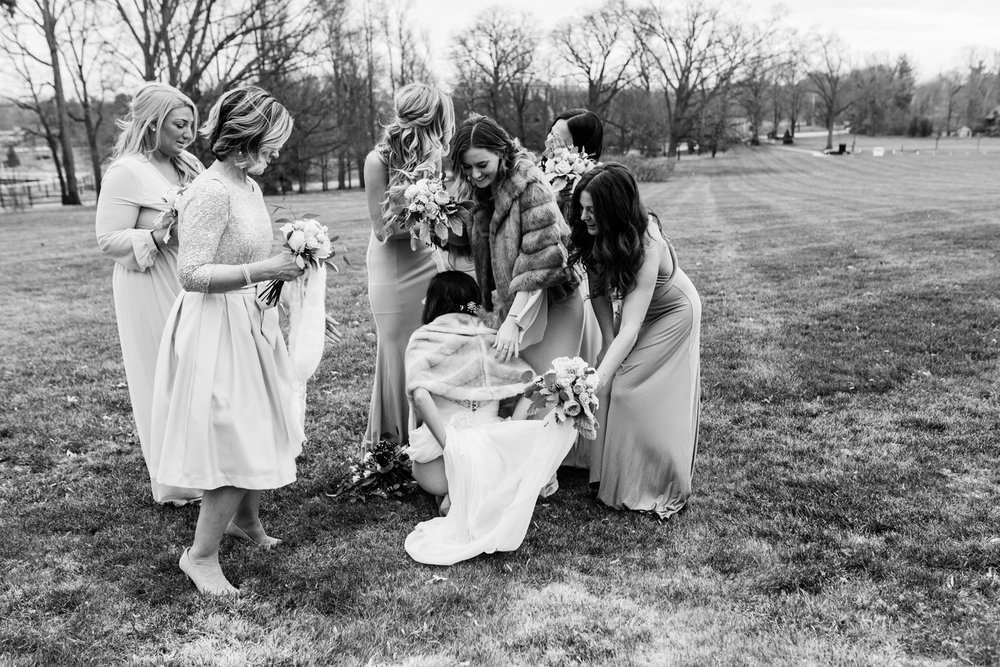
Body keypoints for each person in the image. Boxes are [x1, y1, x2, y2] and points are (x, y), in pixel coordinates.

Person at [149, 86, 305, 595]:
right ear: (245, 139)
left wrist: (295, 304)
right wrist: (266, 268)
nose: (277, 153)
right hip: (215, 327)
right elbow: (192, 273)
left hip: (250, 319)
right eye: (272, 143)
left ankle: (246, 521)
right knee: (235, 437)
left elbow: (257, 260)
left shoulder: (249, 186)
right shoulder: (212, 191)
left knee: (257, 426)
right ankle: (200, 557)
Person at [403, 271, 579, 566]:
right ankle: (468, 495)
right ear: (474, 303)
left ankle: (455, 494)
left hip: (437, 467)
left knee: (438, 471)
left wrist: (452, 448)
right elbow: (532, 387)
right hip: (491, 459)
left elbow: (420, 397)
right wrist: (514, 432)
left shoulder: (425, 338)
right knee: (488, 469)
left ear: (432, 303)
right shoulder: (494, 340)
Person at [567, 163, 701, 519]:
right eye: (582, 208)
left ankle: (655, 479)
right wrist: (605, 343)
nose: (584, 217)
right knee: (612, 383)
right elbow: (598, 292)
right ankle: (605, 475)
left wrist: (599, 378)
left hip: (674, 313)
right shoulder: (593, 234)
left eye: (592, 210)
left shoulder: (647, 242)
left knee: (627, 388)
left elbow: (631, 326)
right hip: (637, 314)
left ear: (615, 210)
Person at [95, 82, 204, 506]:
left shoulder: (189, 163)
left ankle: (207, 466)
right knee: (164, 376)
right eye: (180, 124)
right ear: (153, 123)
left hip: (189, 277)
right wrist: (159, 235)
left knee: (198, 369)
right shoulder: (127, 171)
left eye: (192, 124)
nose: (189, 133)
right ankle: (177, 480)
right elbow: (108, 238)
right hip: (148, 280)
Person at [450, 113, 582, 376]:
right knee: (513, 384)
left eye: (481, 164)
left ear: (501, 152)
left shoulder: (530, 186)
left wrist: (514, 321)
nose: (474, 174)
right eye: (467, 167)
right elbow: (472, 243)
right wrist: (437, 224)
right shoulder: (478, 188)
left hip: (553, 302)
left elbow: (540, 260)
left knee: (548, 387)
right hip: (515, 302)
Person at [363, 83, 455, 449]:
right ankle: (393, 438)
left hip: (424, 260)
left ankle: (426, 433)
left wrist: (436, 216)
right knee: (396, 346)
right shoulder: (377, 161)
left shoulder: (433, 158)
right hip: (392, 265)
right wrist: (425, 215)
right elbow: (382, 229)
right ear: (428, 118)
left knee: (425, 343)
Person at [545, 109, 605, 469]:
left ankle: (575, 444)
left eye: (560, 138)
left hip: (577, 274)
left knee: (575, 351)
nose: (551, 143)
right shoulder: (543, 174)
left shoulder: (591, 184)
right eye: (551, 134)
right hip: (548, 274)